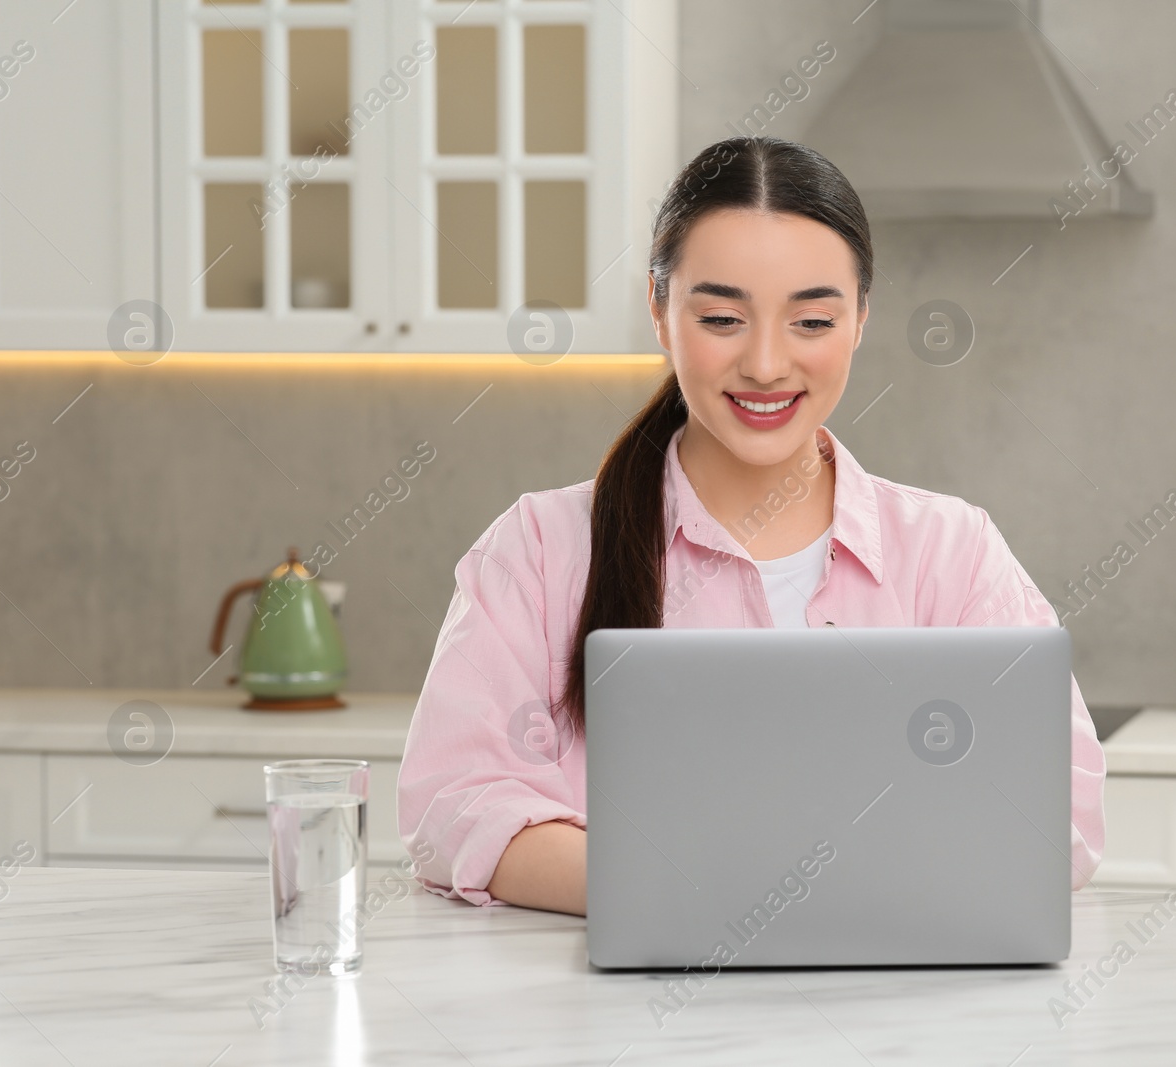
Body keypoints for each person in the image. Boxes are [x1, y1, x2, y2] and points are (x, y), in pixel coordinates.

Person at [397, 135, 1106, 916]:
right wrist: (708, 892)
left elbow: (1057, 820)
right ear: (660, 311)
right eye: (725, 317)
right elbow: (452, 806)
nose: (767, 364)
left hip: (894, 1023)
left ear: (861, 319)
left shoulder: (953, 553)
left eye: (811, 321)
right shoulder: (539, 548)